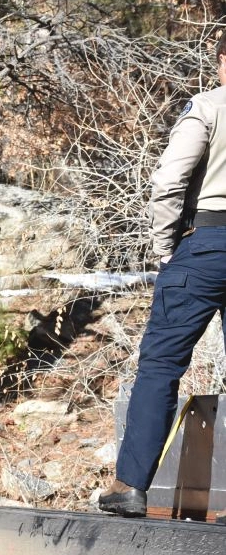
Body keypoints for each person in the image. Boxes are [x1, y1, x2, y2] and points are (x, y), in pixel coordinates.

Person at [100, 32, 226, 517]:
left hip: (205, 245)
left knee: (159, 368)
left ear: (221, 61)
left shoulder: (209, 106)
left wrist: (164, 247)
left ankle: (130, 486)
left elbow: (169, 179)